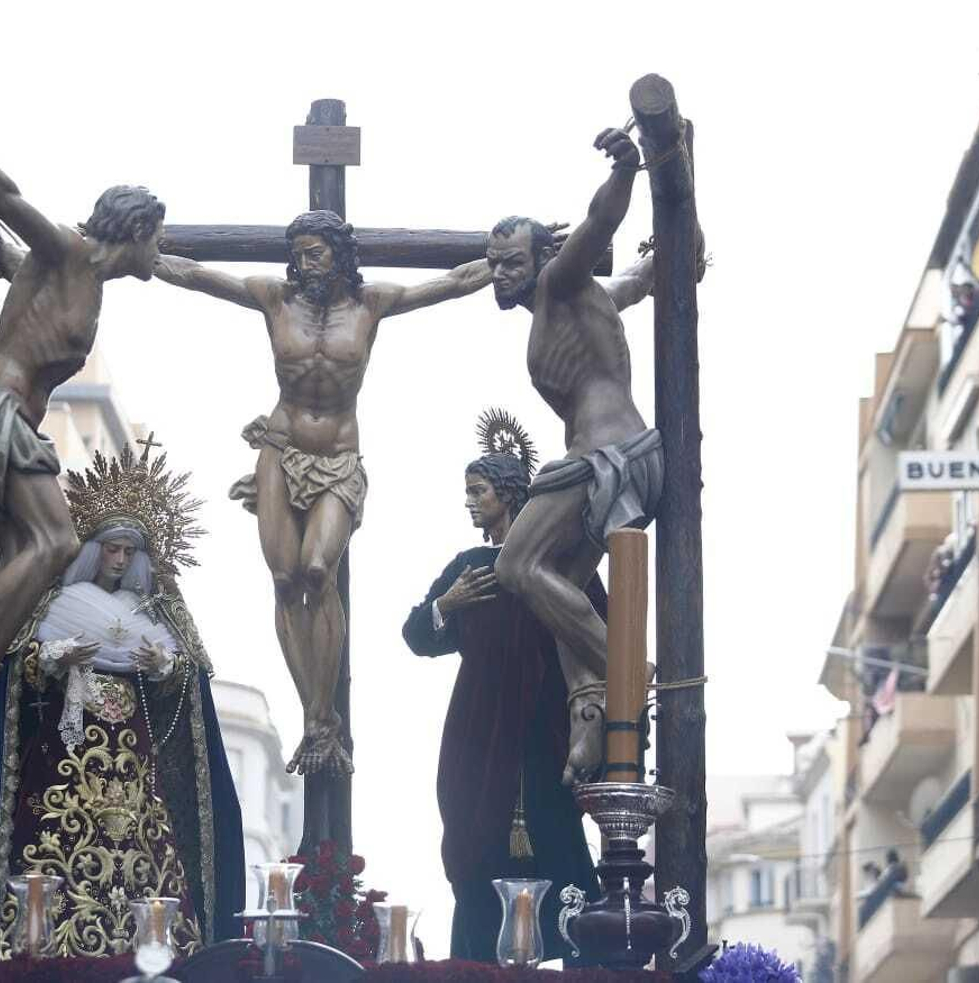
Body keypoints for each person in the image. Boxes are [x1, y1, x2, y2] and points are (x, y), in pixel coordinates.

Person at [154, 213, 494, 775]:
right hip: (279, 450)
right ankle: (315, 718)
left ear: (339, 253)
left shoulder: (370, 305)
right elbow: (195, 276)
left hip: (337, 454)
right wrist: (142, 252)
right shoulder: (274, 299)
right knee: (286, 580)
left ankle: (323, 717)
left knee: (317, 569)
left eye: (314, 253)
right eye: (299, 254)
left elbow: (454, 282)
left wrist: (509, 258)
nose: (304, 264)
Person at [0, 113, 167, 705]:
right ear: (135, 230)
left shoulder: (83, 282)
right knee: (55, 545)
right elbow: (8, 199)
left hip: (8, 418)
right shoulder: (69, 252)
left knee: (23, 560)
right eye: (157, 237)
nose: (161, 249)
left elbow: (4, 255)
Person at [484, 124, 702, 784]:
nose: (502, 271)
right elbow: (643, 276)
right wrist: (676, 251)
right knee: (561, 593)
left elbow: (598, 222)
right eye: (494, 261)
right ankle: (591, 722)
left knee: (517, 564)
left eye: (512, 258)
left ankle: (624, 669)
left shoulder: (560, 280)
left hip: (606, 455)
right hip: (632, 459)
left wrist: (628, 168)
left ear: (542, 254)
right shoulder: (594, 300)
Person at [0, 447, 244, 957]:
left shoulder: (156, 608)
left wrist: (164, 668)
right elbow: (17, 671)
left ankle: (152, 942)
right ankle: (36, 937)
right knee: (52, 838)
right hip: (65, 761)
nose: (119, 561)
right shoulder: (50, 601)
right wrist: (52, 657)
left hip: (134, 760)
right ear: (92, 549)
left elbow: (188, 687)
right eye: (111, 549)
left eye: (128, 553)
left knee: (145, 850)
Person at [402, 411, 602, 961]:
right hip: (479, 731)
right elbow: (416, 635)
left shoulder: (557, 563)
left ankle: (588, 960)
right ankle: (473, 963)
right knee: (473, 847)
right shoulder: (470, 568)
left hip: (545, 728)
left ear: (509, 495)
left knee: (560, 846)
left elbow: (600, 634)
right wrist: (449, 604)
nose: (469, 501)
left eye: (477, 491)